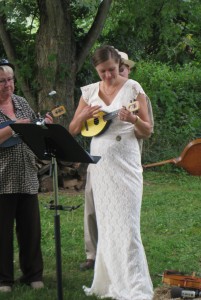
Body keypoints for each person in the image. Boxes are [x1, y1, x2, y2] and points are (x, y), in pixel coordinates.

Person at [69, 45, 154, 300]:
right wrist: (83, 114)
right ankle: (109, 282)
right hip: (100, 164)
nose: (108, 75)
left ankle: (135, 286)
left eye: (112, 70)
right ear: (96, 69)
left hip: (126, 162)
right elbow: (72, 129)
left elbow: (148, 130)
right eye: (102, 71)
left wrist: (134, 120)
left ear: (119, 65)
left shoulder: (133, 87)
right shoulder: (89, 92)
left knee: (127, 227)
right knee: (106, 226)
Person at [0, 59, 53, 292]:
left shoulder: (21, 102)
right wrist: (13, 127)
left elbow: (33, 131)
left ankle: (33, 274)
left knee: (31, 230)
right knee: (2, 232)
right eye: (2, 81)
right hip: (2, 179)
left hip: (26, 175)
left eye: (10, 80)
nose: (7, 85)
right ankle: (4, 279)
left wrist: (44, 126)